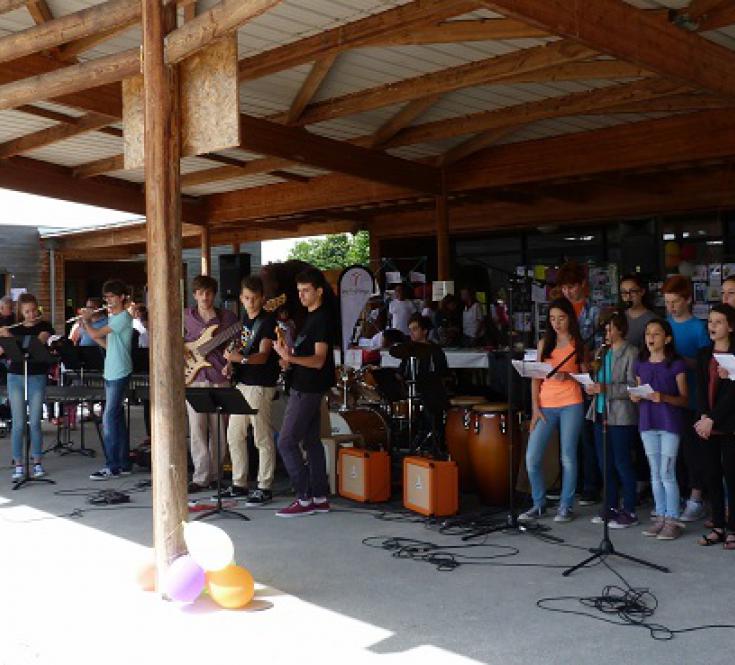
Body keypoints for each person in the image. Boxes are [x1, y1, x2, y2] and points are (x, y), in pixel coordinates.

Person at [273, 266, 335, 517]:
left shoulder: (322, 318)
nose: (301, 295)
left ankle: (304, 497)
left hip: (308, 388)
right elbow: (305, 356)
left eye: (306, 290)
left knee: (286, 441)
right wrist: (288, 359)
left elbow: (319, 359)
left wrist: (291, 358)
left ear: (319, 291)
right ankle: (319, 496)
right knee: (311, 442)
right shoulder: (309, 317)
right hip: (304, 385)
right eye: (299, 291)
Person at [520, 298, 586, 524]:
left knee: (567, 456)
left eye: (561, 318)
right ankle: (539, 503)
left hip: (571, 402)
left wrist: (567, 375)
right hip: (546, 404)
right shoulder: (544, 343)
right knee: (532, 457)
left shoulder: (577, 343)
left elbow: (587, 379)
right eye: (552, 319)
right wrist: (535, 408)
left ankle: (565, 506)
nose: (557, 323)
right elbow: (535, 378)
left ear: (570, 318)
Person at [223, 275, 279, 505]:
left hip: (260, 384)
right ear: (241, 298)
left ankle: (264, 486)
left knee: (261, 437)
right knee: (234, 435)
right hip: (243, 383)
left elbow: (263, 355)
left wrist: (239, 359)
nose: (251, 302)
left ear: (262, 298)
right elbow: (243, 349)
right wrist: (231, 364)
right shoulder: (246, 319)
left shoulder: (267, 322)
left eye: (255, 298)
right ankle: (239, 483)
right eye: (247, 298)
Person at [631, 318, 688, 540]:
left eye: (656, 334)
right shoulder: (641, 363)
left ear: (667, 338)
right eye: (648, 334)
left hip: (669, 423)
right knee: (655, 472)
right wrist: (636, 395)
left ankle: (673, 518)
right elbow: (638, 389)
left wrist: (663, 397)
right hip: (647, 422)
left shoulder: (676, 364)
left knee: (667, 472)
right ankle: (660, 516)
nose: (651, 338)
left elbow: (685, 399)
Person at [183, 275, 238, 493]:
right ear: (194, 294)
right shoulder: (186, 316)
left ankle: (216, 475)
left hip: (218, 376)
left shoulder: (228, 318)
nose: (205, 297)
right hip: (194, 377)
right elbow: (174, 340)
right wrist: (186, 352)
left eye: (209, 293)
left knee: (218, 430)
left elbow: (238, 344)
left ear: (214, 295)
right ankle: (200, 477)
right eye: (200, 293)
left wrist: (232, 363)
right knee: (196, 429)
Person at [662, 275, 710, 522]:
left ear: (688, 299)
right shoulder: (665, 325)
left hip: (692, 398)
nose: (670, 307)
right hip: (668, 399)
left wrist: (681, 360)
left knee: (694, 452)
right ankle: (677, 495)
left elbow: (706, 364)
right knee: (673, 452)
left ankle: (696, 497)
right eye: (667, 302)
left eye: (675, 302)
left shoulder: (698, 328)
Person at [585, 311, 639, 528]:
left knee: (622, 462)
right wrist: (592, 386)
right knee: (604, 462)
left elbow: (633, 387)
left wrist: (606, 388)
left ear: (620, 328)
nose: (605, 333)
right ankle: (610, 505)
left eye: (609, 328)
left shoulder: (631, 352)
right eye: (603, 329)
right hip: (599, 411)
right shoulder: (602, 351)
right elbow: (597, 380)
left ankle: (630, 510)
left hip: (620, 414)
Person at [556, 261, 600, 506]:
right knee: (567, 434)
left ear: (583, 285)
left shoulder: (595, 311)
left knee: (586, 433)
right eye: (564, 288)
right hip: (562, 380)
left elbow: (601, 346)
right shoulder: (561, 311)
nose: (568, 292)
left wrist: (587, 358)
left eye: (572, 287)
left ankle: (590, 485)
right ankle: (569, 482)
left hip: (585, 377)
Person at [81, 280, 134, 480]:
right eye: (106, 298)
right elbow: (105, 343)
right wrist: (85, 325)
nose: (109, 301)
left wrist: (87, 322)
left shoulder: (122, 318)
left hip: (119, 371)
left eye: (112, 297)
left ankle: (112, 466)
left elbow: (95, 332)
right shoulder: (114, 318)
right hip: (112, 370)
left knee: (109, 419)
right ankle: (124, 463)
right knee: (117, 419)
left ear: (121, 298)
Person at [693, 304, 735, 549]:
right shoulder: (703, 354)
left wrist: (713, 419)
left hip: (728, 424)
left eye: (719, 322)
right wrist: (703, 418)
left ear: (730, 326)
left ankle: (733, 527)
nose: (713, 326)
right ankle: (718, 525)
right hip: (706, 423)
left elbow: (732, 395)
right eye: (710, 321)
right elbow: (700, 389)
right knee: (712, 475)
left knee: (732, 475)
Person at [0, 293, 54, 481]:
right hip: (15, 376)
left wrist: (11, 337)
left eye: (33, 310)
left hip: (37, 376)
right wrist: (3, 338)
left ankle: (37, 462)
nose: (31, 315)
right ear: (20, 313)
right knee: (18, 423)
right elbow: (2, 351)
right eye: (27, 312)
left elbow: (36, 344)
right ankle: (19, 465)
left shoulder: (44, 326)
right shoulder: (13, 328)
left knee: (35, 421)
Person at [399, 313, 449, 446]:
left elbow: (443, 373)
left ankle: (432, 438)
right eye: (410, 330)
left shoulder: (435, 351)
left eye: (415, 329)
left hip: (431, 393)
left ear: (425, 331)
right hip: (412, 392)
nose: (411, 333)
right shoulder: (408, 350)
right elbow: (401, 372)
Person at [620, 273, 656, 349]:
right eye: (624, 292)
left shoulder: (652, 319)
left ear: (642, 292)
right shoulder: (619, 316)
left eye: (632, 291)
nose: (628, 296)